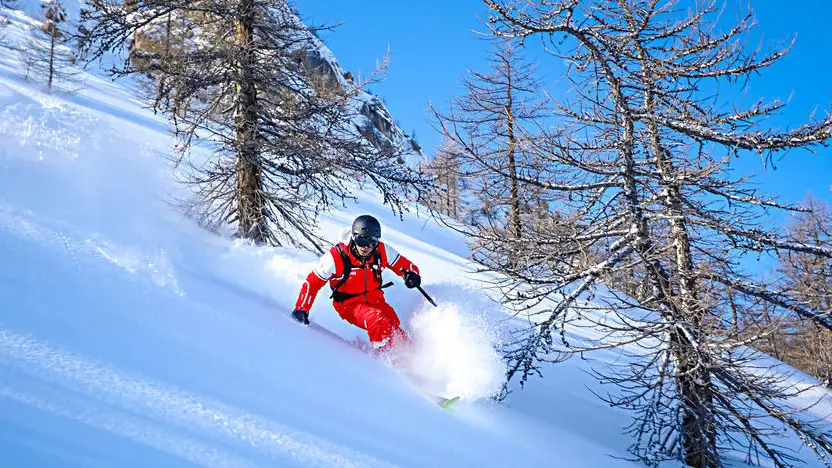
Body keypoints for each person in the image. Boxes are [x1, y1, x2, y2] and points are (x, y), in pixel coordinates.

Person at [291, 215, 422, 356]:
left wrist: (411, 275)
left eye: (371, 242)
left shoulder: (382, 251)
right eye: (361, 240)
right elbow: (313, 282)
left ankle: (413, 357)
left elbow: (405, 266)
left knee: (393, 325)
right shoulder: (336, 257)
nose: (366, 247)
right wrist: (301, 308)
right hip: (349, 304)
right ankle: (387, 358)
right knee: (377, 321)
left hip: (376, 299)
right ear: (354, 237)